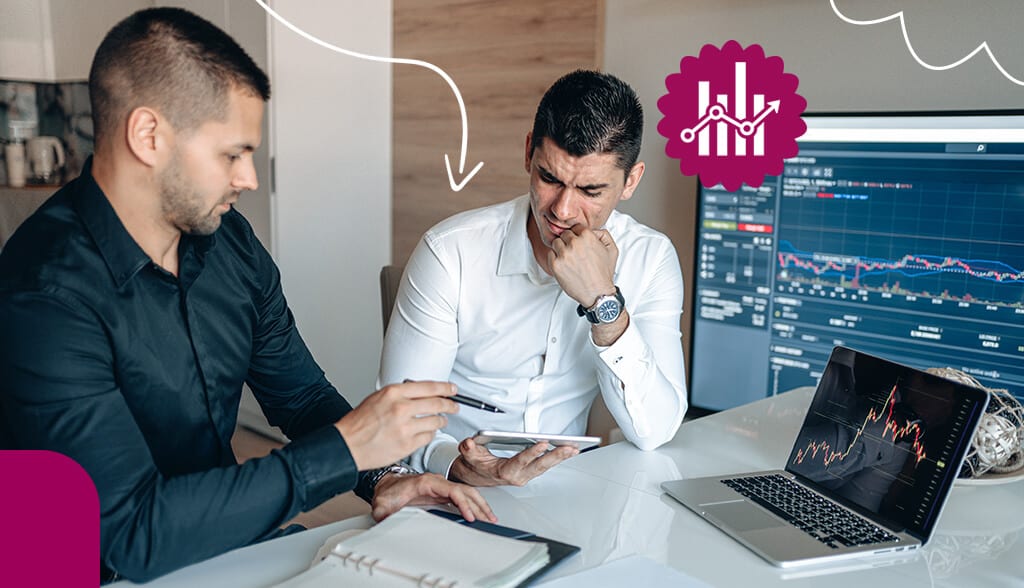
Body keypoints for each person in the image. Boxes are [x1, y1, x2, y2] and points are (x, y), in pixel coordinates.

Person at [0, 8, 492, 584]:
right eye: (232, 154)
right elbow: (129, 533)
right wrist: (346, 448)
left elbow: (302, 397)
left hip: (219, 545)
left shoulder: (229, 241)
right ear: (148, 136)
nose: (250, 178)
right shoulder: (42, 294)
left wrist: (381, 478)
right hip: (78, 568)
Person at [379, 70, 688, 487]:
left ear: (630, 181)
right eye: (549, 178)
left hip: (575, 489)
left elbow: (655, 431)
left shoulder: (651, 259)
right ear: (529, 153)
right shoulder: (450, 251)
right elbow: (396, 419)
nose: (562, 210)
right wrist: (456, 464)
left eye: (591, 191)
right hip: (452, 484)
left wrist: (604, 304)